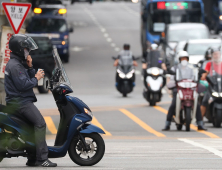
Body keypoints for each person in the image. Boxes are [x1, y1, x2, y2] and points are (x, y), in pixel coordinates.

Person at [5, 34, 57, 167]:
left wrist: (30, 66)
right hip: (20, 102)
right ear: (19, 49)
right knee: (40, 123)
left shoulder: (18, 63)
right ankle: (42, 159)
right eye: (26, 49)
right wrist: (37, 77)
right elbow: (24, 85)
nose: (27, 51)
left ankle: (32, 158)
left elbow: (25, 79)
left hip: (20, 101)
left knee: (31, 128)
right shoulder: (15, 66)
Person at [162, 51, 207, 131]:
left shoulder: (192, 68)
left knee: (196, 103)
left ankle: (200, 123)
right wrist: (173, 83)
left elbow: (195, 77)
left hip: (190, 88)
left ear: (188, 59)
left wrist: (199, 75)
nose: (184, 60)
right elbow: (171, 79)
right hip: (179, 88)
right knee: (173, 104)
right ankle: (167, 124)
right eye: (182, 58)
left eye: (185, 58)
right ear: (179, 59)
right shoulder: (175, 68)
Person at [200, 47, 222, 117]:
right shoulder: (209, 64)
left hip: (220, 86)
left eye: (218, 54)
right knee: (204, 101)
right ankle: (200, 120)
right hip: (212, 86)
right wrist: (203, 76)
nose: (217, 56)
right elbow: (205, 73)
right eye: (215, 54)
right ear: (212, 55)